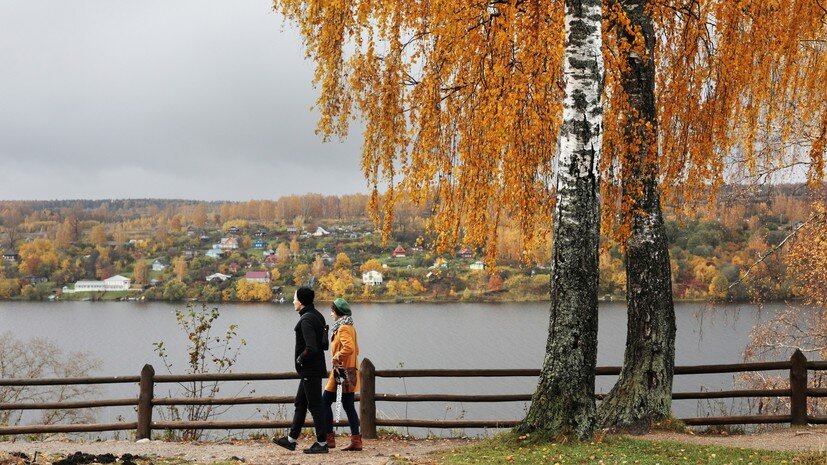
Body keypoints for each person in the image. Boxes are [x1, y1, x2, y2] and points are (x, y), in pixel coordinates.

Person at [273, 287, 329, 454]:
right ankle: (291, 440)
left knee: (315, 406)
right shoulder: (317, 316)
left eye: (295, 298)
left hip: (310, 370)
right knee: (301, 403)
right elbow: (324, 344)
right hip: (313, 369)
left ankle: (322, 443)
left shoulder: (306, 320)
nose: (293, 301)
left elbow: (311, 347)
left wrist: (300, 358)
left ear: (301, 301)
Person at [322, 297, 362, 451]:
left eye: (332, 310)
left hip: (342, 372)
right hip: (348, 371)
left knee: (324, 402)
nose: (331, 313)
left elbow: (350, 348)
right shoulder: (349, 326)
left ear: (338, 312)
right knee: (348, 405)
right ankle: (355, 440)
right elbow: (356, 350)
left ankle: (329, 438)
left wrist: (337, 356)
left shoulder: (344, 327)